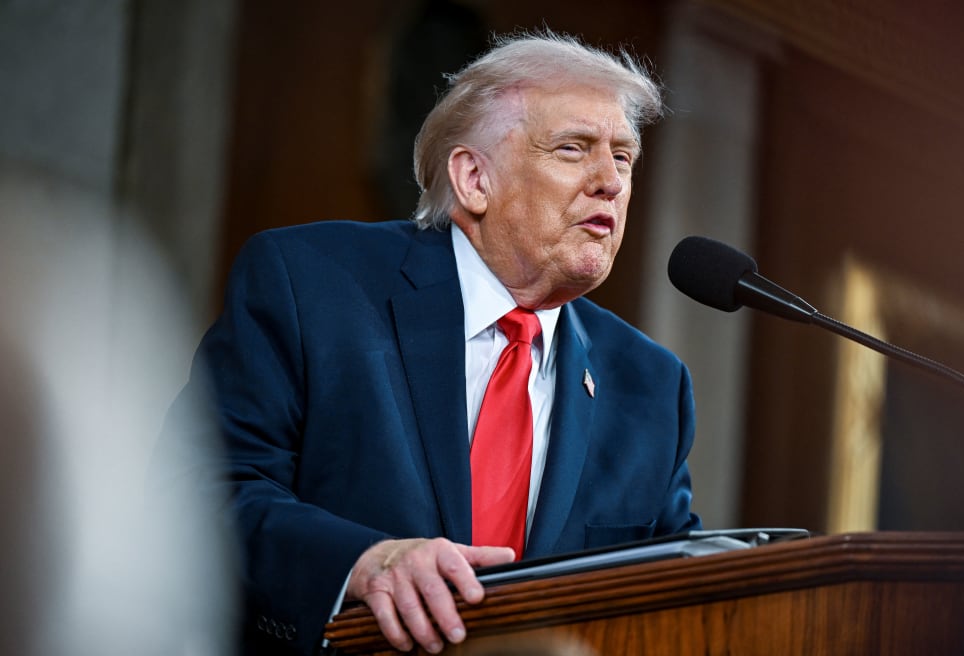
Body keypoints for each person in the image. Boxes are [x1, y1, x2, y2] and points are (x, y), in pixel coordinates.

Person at [165, 30, 702, 656]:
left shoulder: (651, 386)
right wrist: (360, 563)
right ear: (474, 178)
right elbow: (199, 489)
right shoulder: (311, 285)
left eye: (623, 158)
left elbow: (684, 583)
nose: (609, 181)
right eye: (572, 149)